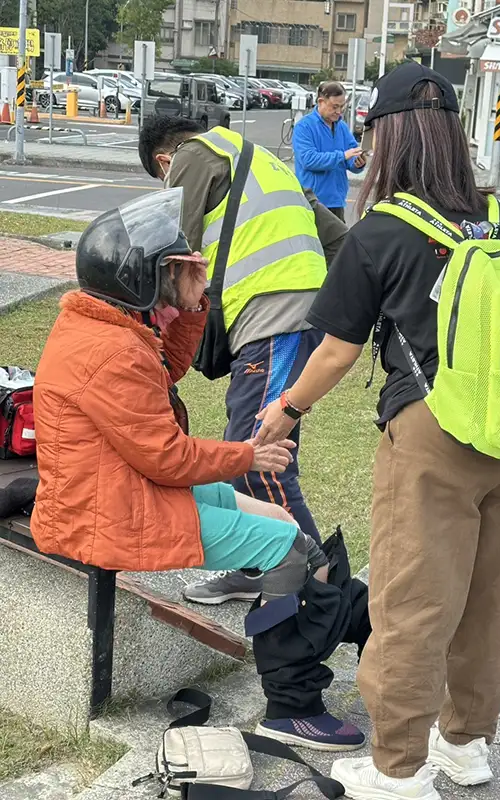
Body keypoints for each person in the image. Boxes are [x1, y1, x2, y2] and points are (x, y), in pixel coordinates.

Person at [254, 62, 500, 799]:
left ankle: (397, 768)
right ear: (453, 135)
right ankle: (464, 744)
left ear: (387, 137)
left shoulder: (383, 231)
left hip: (434, 436)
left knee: (414, 601)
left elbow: (336, 350)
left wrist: (284, 409)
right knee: (493, 597)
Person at [30, 189, 370, 751]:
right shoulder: (111, 351)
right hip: (107, 511)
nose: (193, 271)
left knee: (288, 533)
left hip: (120, 489)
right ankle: (290, 705)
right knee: (284, 549)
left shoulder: (107, 326)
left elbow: (170, 365)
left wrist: (193, 298)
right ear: (142, 278)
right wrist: (247, 456)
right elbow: (166, 455)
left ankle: (355, 621)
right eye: (179, 268)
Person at [138, 115, 347, 606]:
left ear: (164, 161)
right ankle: (263, 568)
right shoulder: (267, 163)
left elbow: (176, 250)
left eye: (162, 180)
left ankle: (322, 590)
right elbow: (338, 239)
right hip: (295, 314)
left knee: (257, 458)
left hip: (273, 315)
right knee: (254, 452)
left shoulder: (192, 155)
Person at [292, 81, 367, 222]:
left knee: (341, 243)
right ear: (321, 102)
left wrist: (358, 163)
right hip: (312, 202)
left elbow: (351, 157)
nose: (339, 112)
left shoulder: (342, 127)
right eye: (335, 107)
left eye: (342, 107)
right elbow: (309, 160)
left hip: (337, 202)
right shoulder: (304, 127)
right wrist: (343, 155)